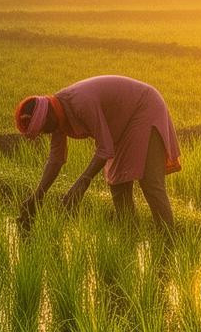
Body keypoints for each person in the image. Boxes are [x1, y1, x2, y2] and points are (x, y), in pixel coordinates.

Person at [14, 76, 181, 230]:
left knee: (150, 183)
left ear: (48, 116)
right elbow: (56, 159)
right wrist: (37, 197)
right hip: (121, 126)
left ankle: (168, 242)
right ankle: (130, 237)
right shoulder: (56, 115)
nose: (47, 133)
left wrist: (81, 184)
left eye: (44, 129)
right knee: (118, 184)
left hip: (144, 107)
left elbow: (105, 148)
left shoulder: (81, 102)